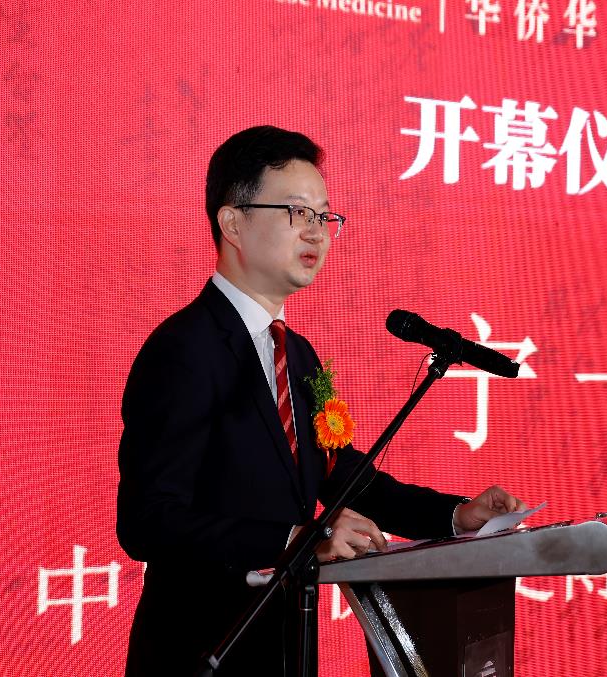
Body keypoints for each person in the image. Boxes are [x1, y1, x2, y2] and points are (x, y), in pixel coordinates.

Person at [116, 125, 525, 675]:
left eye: (325, 216)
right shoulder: (184, 349)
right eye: (296, 212)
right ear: (233, 222)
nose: (317, 232)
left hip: (283, 646)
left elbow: (344, 479)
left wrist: (454, 516)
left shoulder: (297, 354)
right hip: (200, 651)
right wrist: (294, 539)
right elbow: (147, 520)